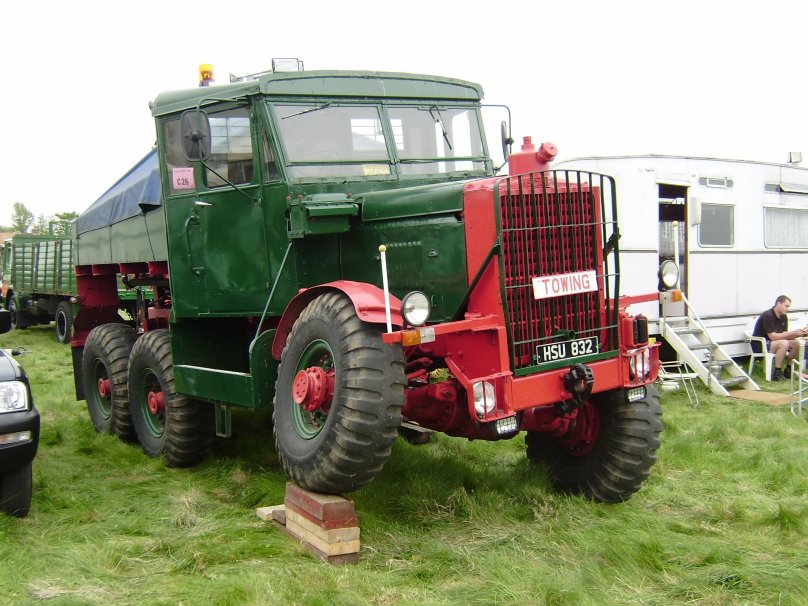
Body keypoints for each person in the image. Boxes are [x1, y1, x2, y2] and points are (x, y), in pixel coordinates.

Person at [752, 295, 808, 380]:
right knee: (784, 343)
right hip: (761, 344)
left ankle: (788, 369)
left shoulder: (783, 316)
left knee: (796, 343)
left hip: (774, 342)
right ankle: (777, 373)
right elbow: (772, 337)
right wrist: (792, 333)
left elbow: (785, 334)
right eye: (786, 306)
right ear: (778, 304)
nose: (788, 309)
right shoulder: (768, 315)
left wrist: (799, 334)